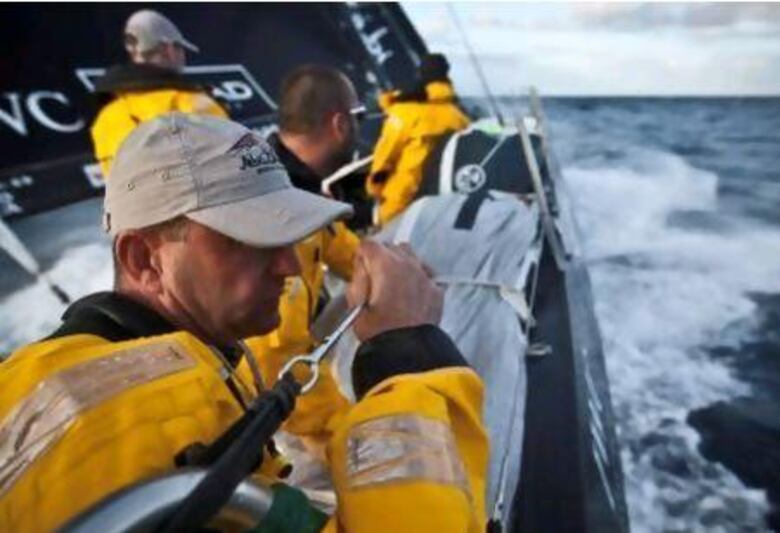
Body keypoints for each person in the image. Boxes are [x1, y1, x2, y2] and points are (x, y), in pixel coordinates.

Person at [0, 113, 488, 532]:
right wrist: (406, 359)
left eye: (288, 235)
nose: (290, 267)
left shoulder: (60, 369)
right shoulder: (141, 422)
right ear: (145, 259)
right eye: (248, 240)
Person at [242, 65, 362, 443]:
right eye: (358, 118)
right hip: (267, 411)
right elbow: (278, 362)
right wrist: (351, 432)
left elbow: (337, 244)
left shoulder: (300, 189)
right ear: (340, 124)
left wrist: (383, 263)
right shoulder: (275, 213)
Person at [90, 9, 227, 177]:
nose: (183, 57)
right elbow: (234, 168)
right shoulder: (193, 104)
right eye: (181, 49)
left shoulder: (105, 119)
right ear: (168, 49)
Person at [366, 53, 470, 225]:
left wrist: (374, 190)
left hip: (400, 205)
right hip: (443, 207)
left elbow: (385, 158)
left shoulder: (404, 113)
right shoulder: (460, 118)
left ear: (420, 74)